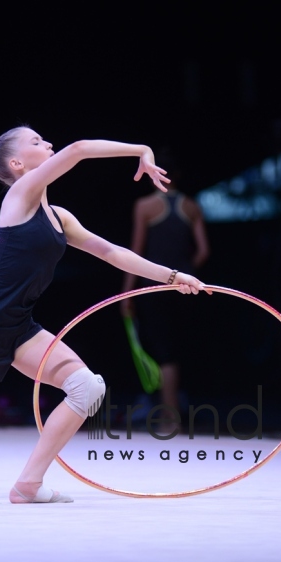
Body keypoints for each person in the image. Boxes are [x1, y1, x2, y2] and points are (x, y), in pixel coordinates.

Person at [0, 127, 207, 503]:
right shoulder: (18, 197)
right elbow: (80, 149)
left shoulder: (59, 218)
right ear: (17, 164)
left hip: (20, 329)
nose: (48, 143)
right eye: (36, 142)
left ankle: (28, 484)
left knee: (87, 387)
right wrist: (142, 148)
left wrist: (173, 276)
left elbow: (114, 253)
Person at [121, 147, 210, 432]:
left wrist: (127, 292)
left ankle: (170, 418)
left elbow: (135, 252)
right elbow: (204, 250)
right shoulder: (191, 206)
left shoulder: (145, 206)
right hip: (187, 286)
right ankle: (172, 413)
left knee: (165, 350)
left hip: (155, 286)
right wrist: (189, 272)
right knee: (177, 347)